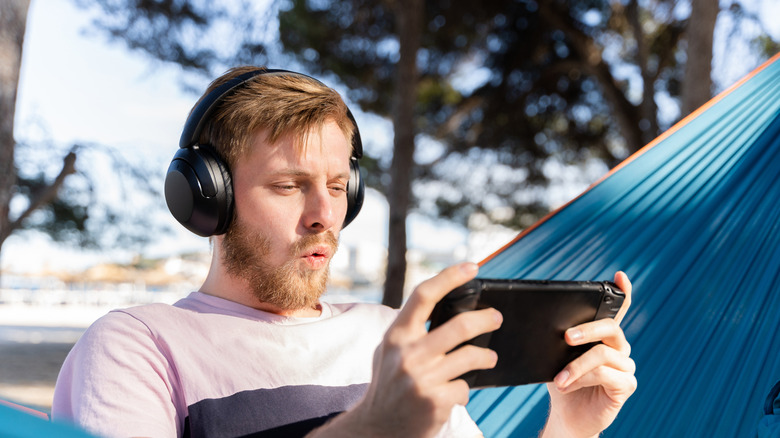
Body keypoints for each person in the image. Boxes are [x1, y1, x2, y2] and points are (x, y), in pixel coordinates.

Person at [52, 67, 636, 438]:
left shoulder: (393, 337)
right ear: (207, 199)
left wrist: (570, 430)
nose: (325, 216)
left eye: (337, 188)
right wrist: (376, 426)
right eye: (288, 185)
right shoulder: (138, 346)